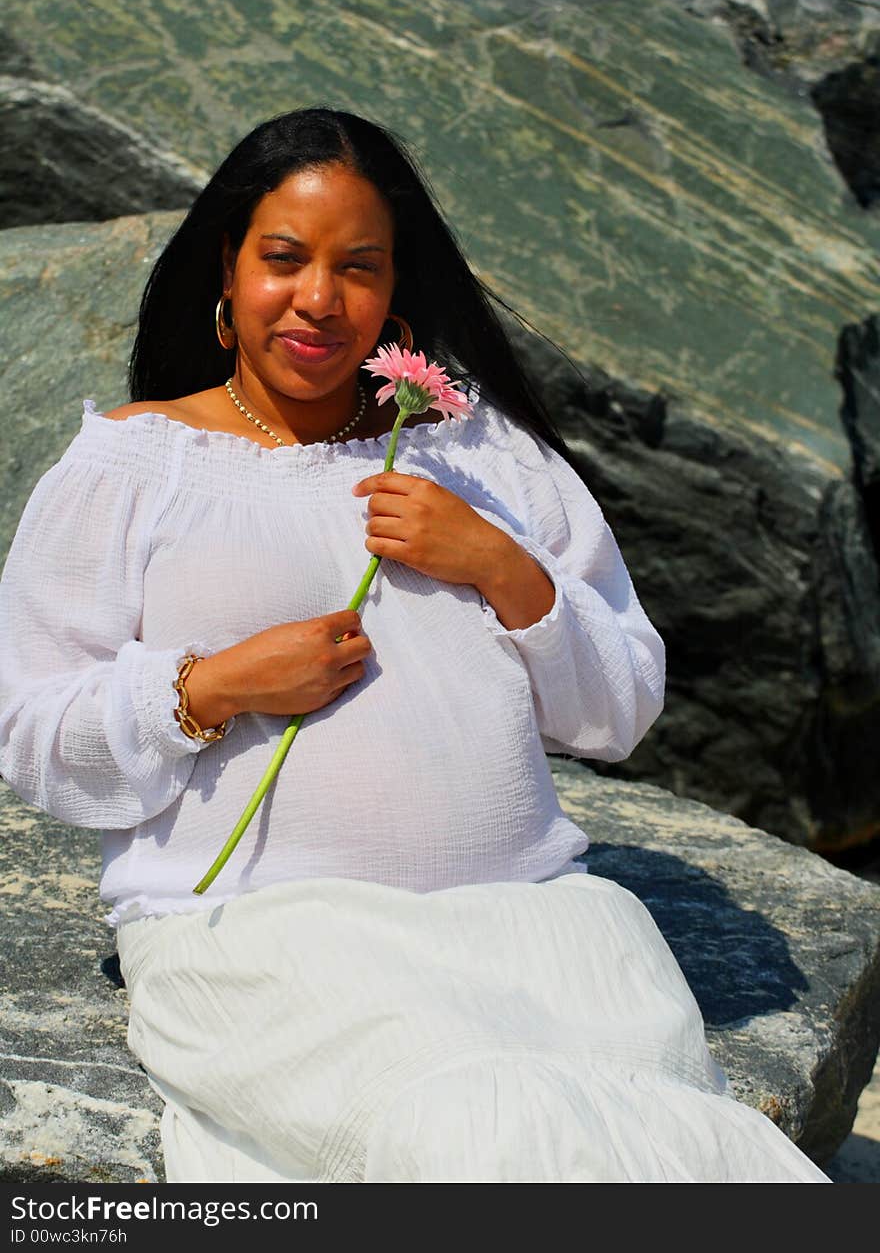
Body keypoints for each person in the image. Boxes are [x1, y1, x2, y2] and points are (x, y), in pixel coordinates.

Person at [0, 108, 829, 1183]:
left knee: (663, 1149)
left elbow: (620, 709)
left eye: (359, 267)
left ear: (396, 289)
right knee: (470, 1136)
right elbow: (27, 731)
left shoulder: (483, 454)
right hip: (264, 941)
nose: (318, 300)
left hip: (540, 932)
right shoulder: (131, 466)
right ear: (227, 266)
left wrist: (499, 564)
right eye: (284, 259)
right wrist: (210, 685)